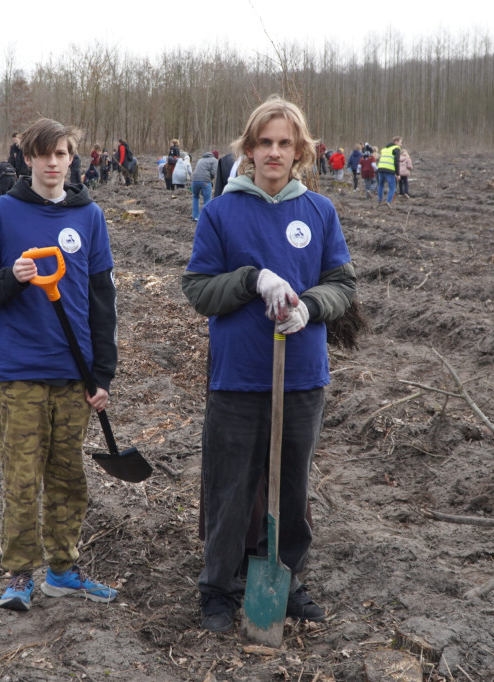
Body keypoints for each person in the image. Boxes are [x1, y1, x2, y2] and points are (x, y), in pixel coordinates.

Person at [182, 96, 356, 634]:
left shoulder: (320, 213)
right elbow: (197, 289)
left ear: (300, 151)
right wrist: (252, 278)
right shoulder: (220, 213)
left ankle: (285, 574)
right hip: (238, 375)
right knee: (231, 486)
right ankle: (219, 585)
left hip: (303, 375)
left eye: (285, 143)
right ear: (249, 149)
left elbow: (343, 286)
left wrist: (310, 306)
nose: (274, 152)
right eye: (265, 143)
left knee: (290, 485)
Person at [0, 117, 120, 612]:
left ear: (72, 159)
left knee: (69, 475)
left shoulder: (89, 216)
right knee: (22, 478)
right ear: (27, 158)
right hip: (20, 372)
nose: (53, 163)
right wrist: (12, 275)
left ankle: (62, 571)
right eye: (44, 154)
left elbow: (102, 299)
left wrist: (103, 373)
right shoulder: (2, 213)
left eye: (62, 154)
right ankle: (19, 575)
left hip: (73, 373)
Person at [191, 151, 218, 222]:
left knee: (195, 197)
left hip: (194, 180)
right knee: (207, 199)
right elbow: (213, 172)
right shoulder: (215, 160)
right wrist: (210, 179)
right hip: (205, 181)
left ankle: (195, 217)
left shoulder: (200, 159)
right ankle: (205, 218)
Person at [376, 137, 402, 207]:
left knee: (381, 185)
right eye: (400, 142)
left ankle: (379, 200)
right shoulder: (396, 149)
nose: (401, 144)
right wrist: (398, 174)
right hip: (389, 170)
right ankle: (388, 202)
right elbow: (396, 162)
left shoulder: (384, 149)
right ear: (396, 142)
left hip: (380, 169)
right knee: (392, 187)